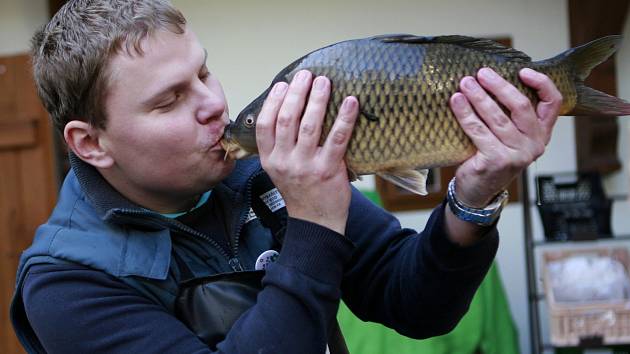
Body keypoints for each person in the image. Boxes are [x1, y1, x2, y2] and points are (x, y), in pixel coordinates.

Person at [10, 0, 561, 353]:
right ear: (91, 142)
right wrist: (316, 220)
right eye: (169, 100)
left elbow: (416, 304)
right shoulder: (67, 282)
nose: (212, 104)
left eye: (203, 72)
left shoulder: (260, 174)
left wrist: (473, 196)